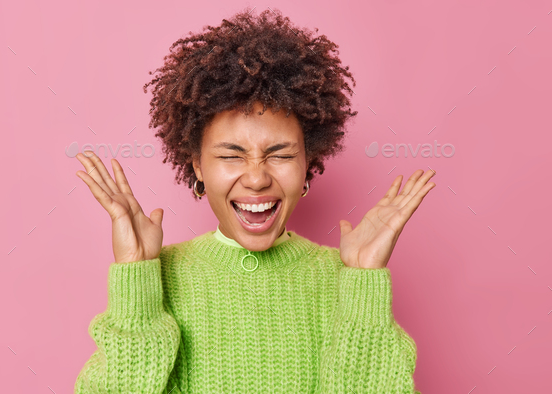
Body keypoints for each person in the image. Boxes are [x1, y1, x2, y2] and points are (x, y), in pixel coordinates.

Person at [73, 7, 434, 393]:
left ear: (308, 164)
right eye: (231, 156)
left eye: (280, 155)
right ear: (197, 166)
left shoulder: (344, 279)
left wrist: (363, 282)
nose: (258, 178)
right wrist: (135, 277)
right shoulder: (156, 276)